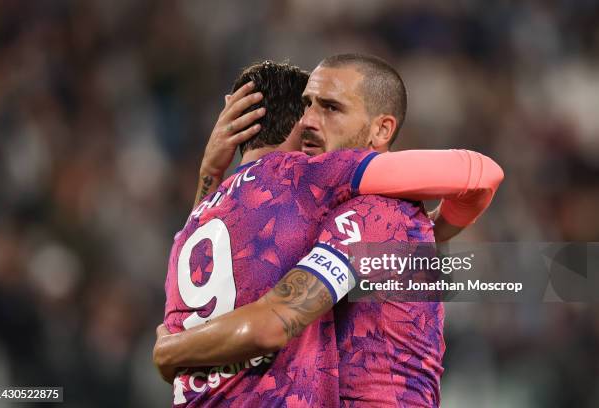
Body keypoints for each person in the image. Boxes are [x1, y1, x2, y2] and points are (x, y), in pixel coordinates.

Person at [156, 57, 503, 407]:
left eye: (330, 108)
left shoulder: (375, 210)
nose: (307, 120)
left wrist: (171, 349)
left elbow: (274, 322)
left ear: (381, 130)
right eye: (306, 105)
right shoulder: (324, 205)